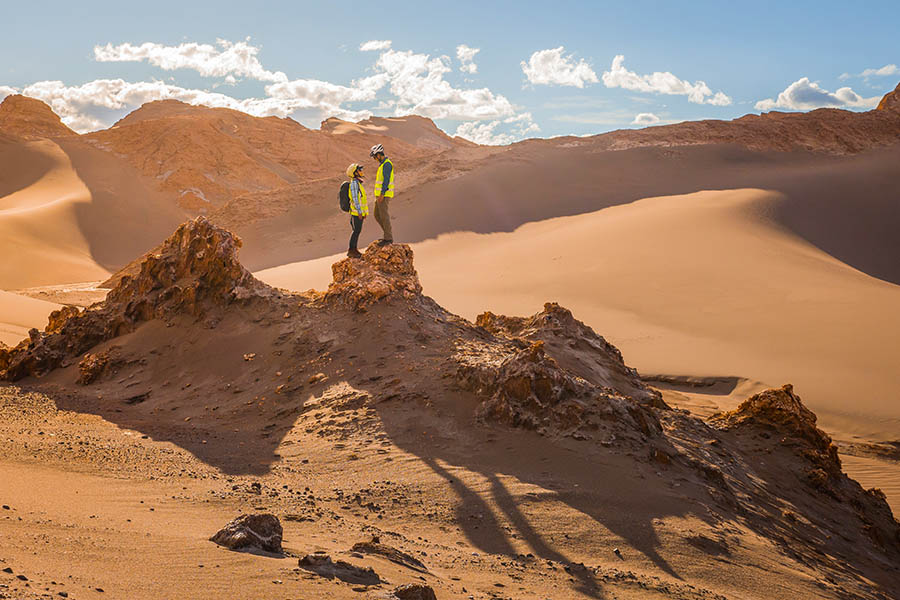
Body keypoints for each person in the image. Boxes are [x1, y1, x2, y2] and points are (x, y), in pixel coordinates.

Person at [369, 143, 394, 245]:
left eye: (375, 157)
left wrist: (382, 194)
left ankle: (388, 238)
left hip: (384, 195)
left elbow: (386, 180)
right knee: (377, 215)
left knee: (384, 216)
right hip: (380, 195)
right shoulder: (382, 165)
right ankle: (387, 235)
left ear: (379, 155)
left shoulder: (387, 164)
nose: (375, 159)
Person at [346, 163, 367, 258]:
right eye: (359, 170)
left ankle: (354, 249)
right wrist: (359, 212)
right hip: (356, 213)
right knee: (356, 231)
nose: (361, 172)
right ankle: (351, 250)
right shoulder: (354, 184)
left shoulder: (357, 182)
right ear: (354, 173)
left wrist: (364, 212)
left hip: (359, 212)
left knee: (357, 231)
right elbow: (355, 199)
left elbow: (362, 199)